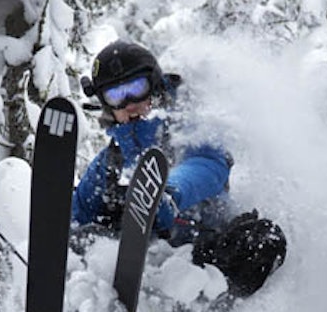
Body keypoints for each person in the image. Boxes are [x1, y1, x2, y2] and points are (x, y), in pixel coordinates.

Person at [73, 39, 286, 297]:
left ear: (153, 85)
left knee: (264, 239)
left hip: (205, 253)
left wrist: (170, 192)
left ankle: (214, 307)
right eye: (116, 95)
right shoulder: (110, 163)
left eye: (136, 88)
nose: (129, 102)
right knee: (85, 236)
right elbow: (79, 214)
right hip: (139, 271)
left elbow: (208, 164)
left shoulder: (191, 127)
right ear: (107, 104)